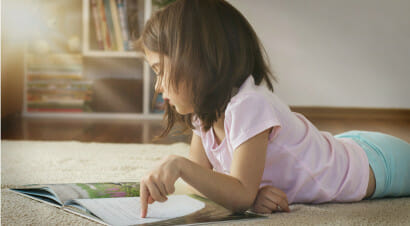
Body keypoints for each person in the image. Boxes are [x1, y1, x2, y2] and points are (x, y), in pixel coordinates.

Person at [135, 0, 410, 218]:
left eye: (160, 71)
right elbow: (200, 181)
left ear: (198, 63)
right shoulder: (203, 114)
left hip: (376, 165)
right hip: (343, 146)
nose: (158, 86)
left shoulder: (248, 105)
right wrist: (248, 193)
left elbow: (236, 194)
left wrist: (179, 165)